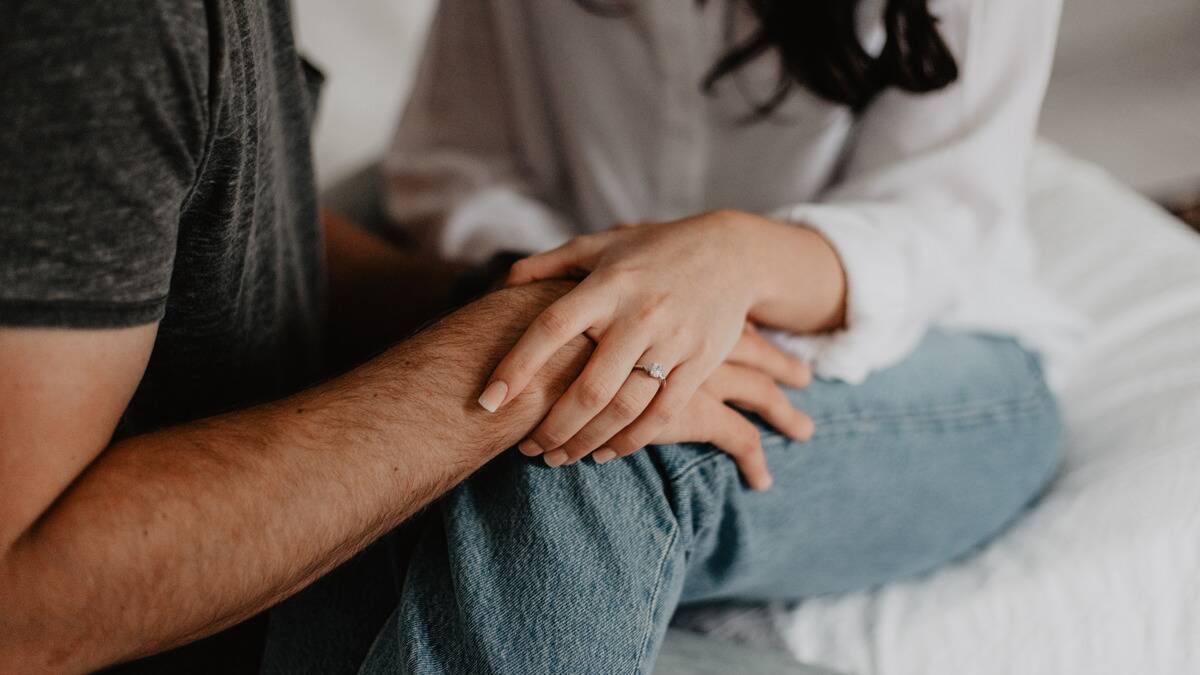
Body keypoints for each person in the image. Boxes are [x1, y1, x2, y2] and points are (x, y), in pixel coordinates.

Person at [0, 1, 808, 672]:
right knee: (593, 452)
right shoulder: (95, 28)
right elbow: (20, 601)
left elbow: (202, 224)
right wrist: (514, 351)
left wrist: (506, 297)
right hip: (190, 611)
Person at [369, 0, 1077, 671]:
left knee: (594, 438)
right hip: (568, 280)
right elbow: (457, 162)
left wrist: (732, 259)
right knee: (545, 399)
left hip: (929, 337)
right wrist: (602, 304)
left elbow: (945, 220)